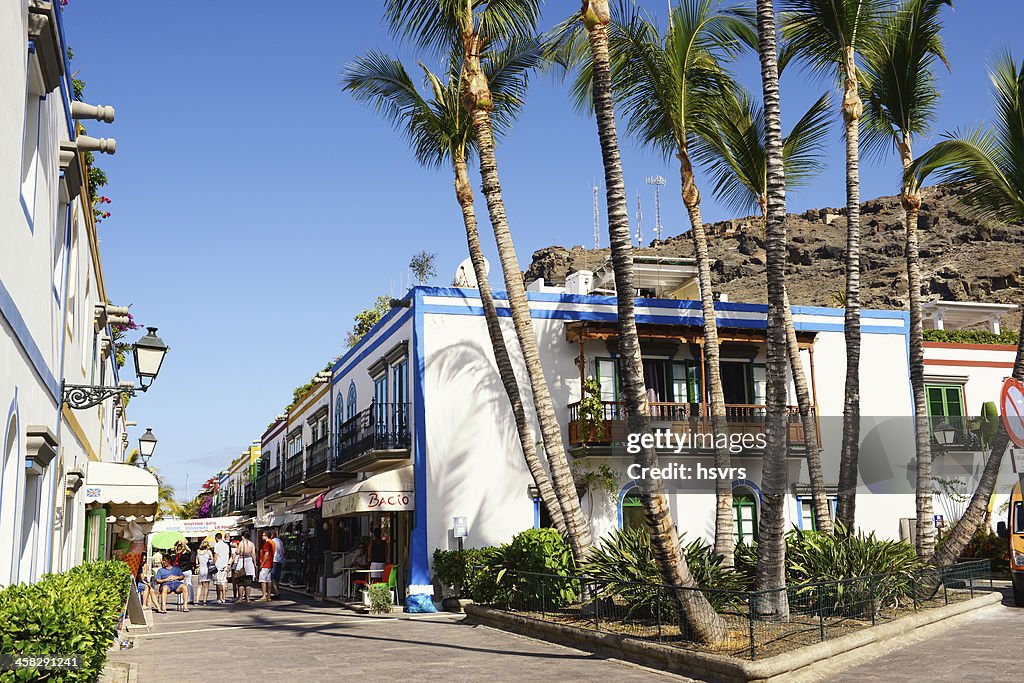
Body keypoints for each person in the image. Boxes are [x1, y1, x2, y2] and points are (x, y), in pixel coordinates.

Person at [234, 533, 257, 604]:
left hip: (242, 562)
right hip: (249, 562)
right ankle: (248, 598)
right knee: (248, 583)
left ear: (243, 536)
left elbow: (237, 552)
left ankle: (240, 598)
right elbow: (253, 554)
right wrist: (255, 563)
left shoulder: (241, 543)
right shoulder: (252, 544)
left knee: (240, 583)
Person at [173, 540, 195, 606]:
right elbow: (188, 548)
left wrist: (177, 542)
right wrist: (183, 543)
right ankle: (190, 599)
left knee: (181, 585)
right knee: (189, 584)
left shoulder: (178, 554)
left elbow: (174, 547)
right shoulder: (188, 553)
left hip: (181, 571)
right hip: (188, 570)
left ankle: (180, 600)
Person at [213, 532, 230, 604]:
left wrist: (213, 563)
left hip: (218, 566)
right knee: (223, 582)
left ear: (216, 538)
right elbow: (228, 555)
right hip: (225, 565)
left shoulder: (217, 545)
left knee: (218, 583)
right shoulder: (226, 545)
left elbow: (216, 556)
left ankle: (218, 598)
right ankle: (224, 597)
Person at [258, 531, 275, 602]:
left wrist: (262, 564)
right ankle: (268, 596)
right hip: (270, 563)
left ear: (266, 536)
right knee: (269, 580)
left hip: (266, 564)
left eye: (263, 535)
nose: (262, 536)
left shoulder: (267, 543)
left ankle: (264, 595)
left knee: (262, 580)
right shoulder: (272, 542)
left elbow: (266, 554)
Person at [196, 540, 213, 605]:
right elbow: (212, 561)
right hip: (207, 570)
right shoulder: (209, 552)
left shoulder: (198, 552)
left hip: (201, 569)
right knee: (206, 586)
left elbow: (196, 562)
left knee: (199, 585)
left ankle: (197, 600)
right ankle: (204, 600)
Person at [271, 530, 285, 598]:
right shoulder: (280, 541)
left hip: (273, 560)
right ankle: (276, 591)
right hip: (280, 560)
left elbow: (271, 551)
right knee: (277, 577)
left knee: (272, 577)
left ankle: (276, 592)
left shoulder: (272, 541)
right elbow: (283, 551)